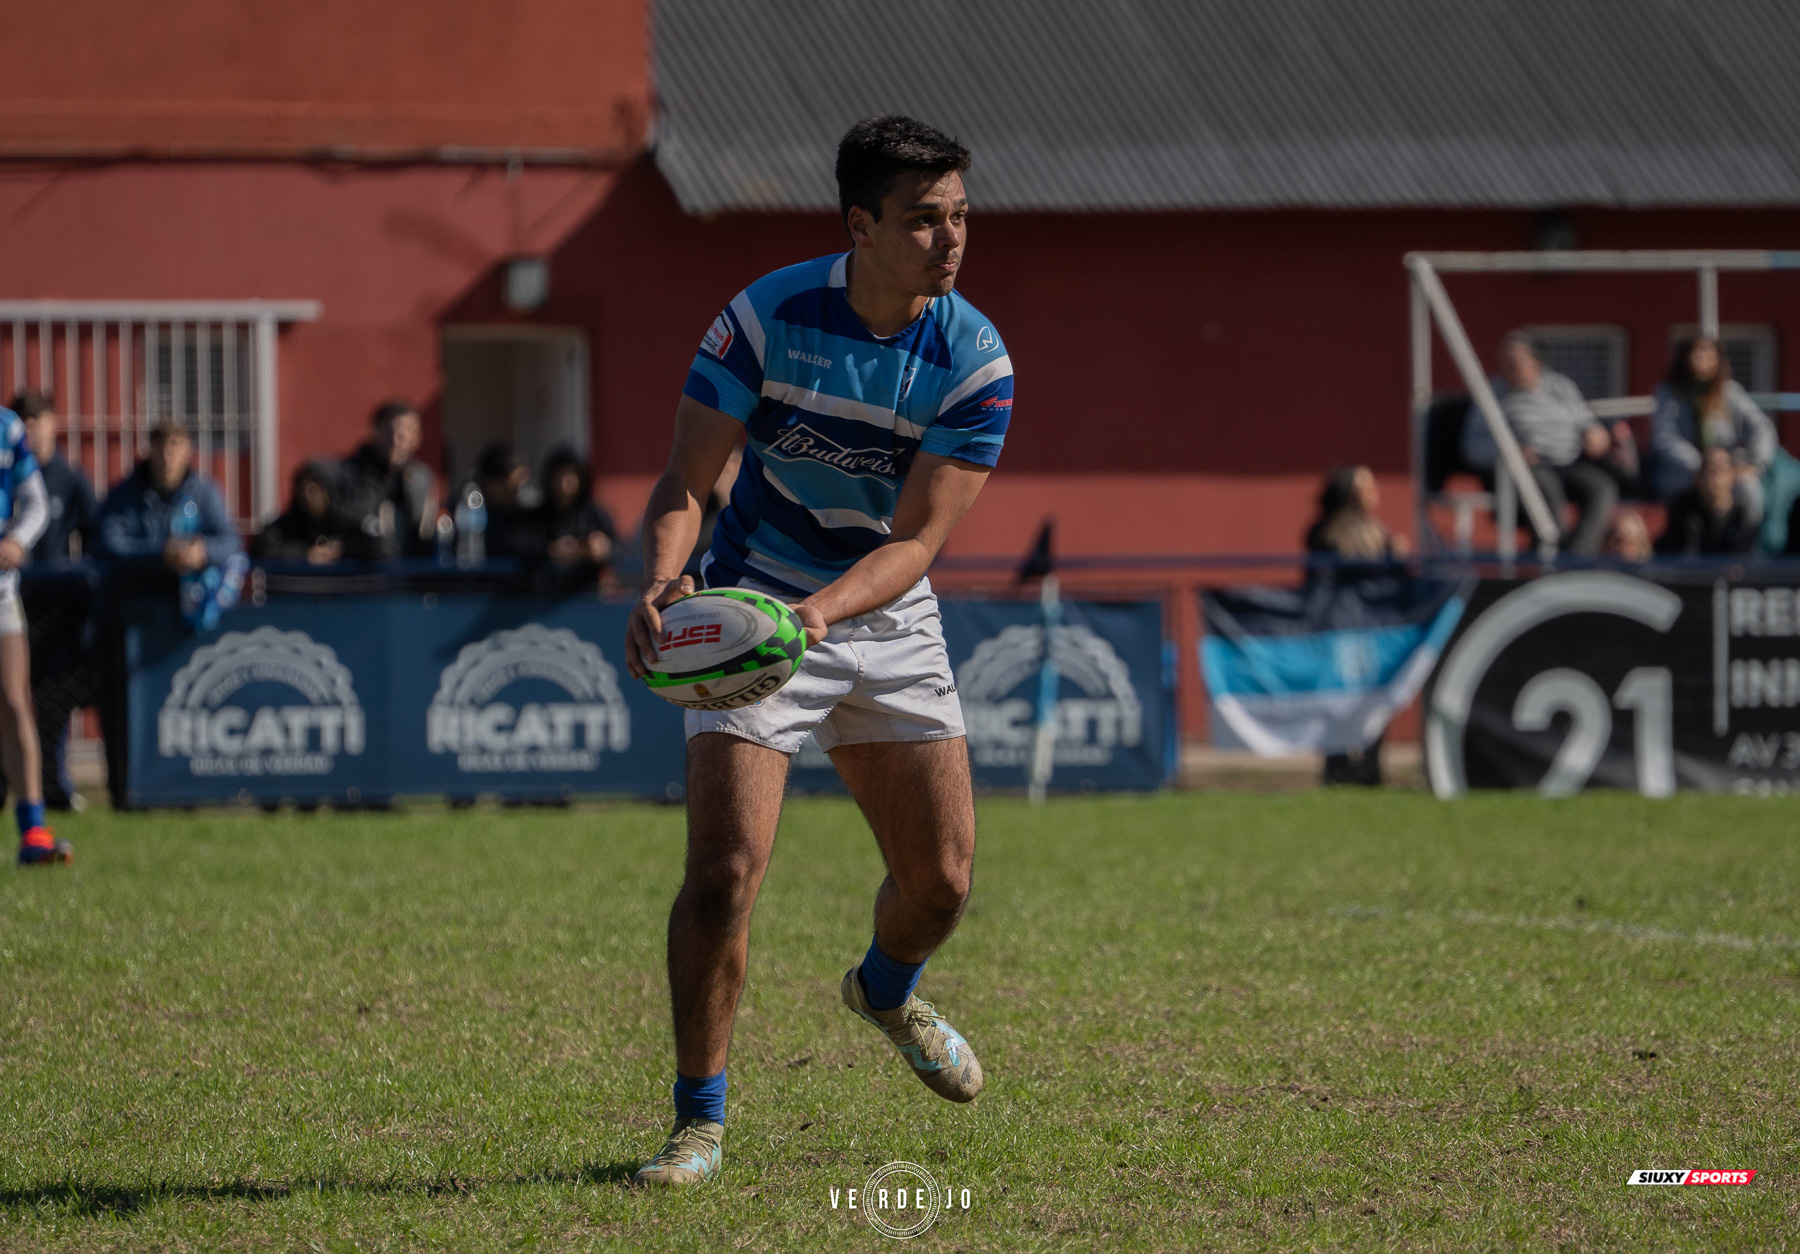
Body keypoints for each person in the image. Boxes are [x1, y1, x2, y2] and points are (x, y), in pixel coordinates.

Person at [623, 116, 1013, 1187]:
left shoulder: (974, 360)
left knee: (940, 885)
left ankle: (883, 989)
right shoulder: (765, 318)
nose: (951, 241)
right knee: (723, 877)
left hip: (877, 610)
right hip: (752, 608)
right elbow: (687, 486)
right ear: (862, 226)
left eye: (961, 217)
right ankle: (698, 1122)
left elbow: (919, 542)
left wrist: (823, 617)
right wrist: (665, 580)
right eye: (925, 220)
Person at [1461, 333, 1618, 556]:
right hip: (1527, 467)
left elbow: (1585, 420)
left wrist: (1595, 432)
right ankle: (1549, 554)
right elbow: (1473, 445)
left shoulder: (1561, 386)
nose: (1508, 367)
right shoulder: (1491, 394)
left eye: (1515, 361)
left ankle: (1579, 554)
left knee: (1601, 487)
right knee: (1546, 486)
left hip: (1569, 462)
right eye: (1504, 361)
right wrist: (1511, 452)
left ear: (1535, 362)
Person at [1303, 466, 1408, 786]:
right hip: (1339, 631)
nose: (1375, 493)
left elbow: (1391, 584)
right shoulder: (1324, 533)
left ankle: (1370, 767)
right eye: (1367, 486)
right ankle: (1336, 767)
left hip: (1374, 632)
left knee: (1374, 700)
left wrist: (1397, 558)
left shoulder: (1380, 533)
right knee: (1336, 701)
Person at [0, 404, 68, 864]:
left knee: (13, 699)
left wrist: (18, 540)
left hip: (1, 592)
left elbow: (36, 502)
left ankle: (33, 832)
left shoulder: (8, 427)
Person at [95, 422, 244, 623]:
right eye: (161, 446)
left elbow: (231, 541)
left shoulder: (205, 492)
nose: (168, 455)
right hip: (136, 606)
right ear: (150, 449)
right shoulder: (123, 495)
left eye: (175, 445)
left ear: (188, 450)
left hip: (194, 610)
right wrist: (161, 552)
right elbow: (108, 544)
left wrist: (203, 551)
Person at [1647, 336, 1775, 523]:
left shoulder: (1730, 391)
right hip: (1684, 469)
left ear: (1718, 359)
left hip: (1725, 467)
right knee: (1678, 494)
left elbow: (1762, 427)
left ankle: (1748, 544)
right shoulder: (1668, 392)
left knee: (1749, 488)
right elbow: (1664, 436)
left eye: (1707, 352)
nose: (1700, 357)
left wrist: (1755, 462)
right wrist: (1700, 466)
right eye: (1695, 352)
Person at [337, 400, 437, 561]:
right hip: (363, 572)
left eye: (410, 431)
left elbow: (425, 527)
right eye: (393, 430)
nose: (400, 438)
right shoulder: (351, 473)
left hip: (411, 573)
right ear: (375, 431)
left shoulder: (420, 477)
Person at [12, 391, 97, 563]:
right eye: (22, 419)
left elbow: (95, 536)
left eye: (35, 419)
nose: (28, 427)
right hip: (7, 582)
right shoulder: (5, 476)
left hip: (54, 584)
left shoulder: (72, 480)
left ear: (54, 424)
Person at [512, 446, 616, 584]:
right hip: (544, 596)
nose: (565, 481)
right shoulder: (535, 518)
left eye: (572, 473)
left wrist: (601, 549)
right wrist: (551, 550)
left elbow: (620, 548)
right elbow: (517, 545)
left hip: (587, 597)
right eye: (560, 473)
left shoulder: (595, 516)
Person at [1657, 446, 1758, 556]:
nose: (1713, 477)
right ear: (1698, 476)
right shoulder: (1682, 510)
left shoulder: (1741, 517)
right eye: (1708, 470)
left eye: (1719, 469)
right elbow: (1682, 558)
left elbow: (1742, 563)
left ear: (1732, 475)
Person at [252, 461, 353, 565]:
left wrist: (341, 550)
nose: (309, 495)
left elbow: (366, 549)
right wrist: (306, 554)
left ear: (330, 490)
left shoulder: (348, 524)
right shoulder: (285, 527)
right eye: (303, 488)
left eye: (316, 487)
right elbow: (262, 550)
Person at [469, 442, 532, 561]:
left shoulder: (523, 517)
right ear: (490, 483)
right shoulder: (473, 515)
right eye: (509, 487)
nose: (515, 491)